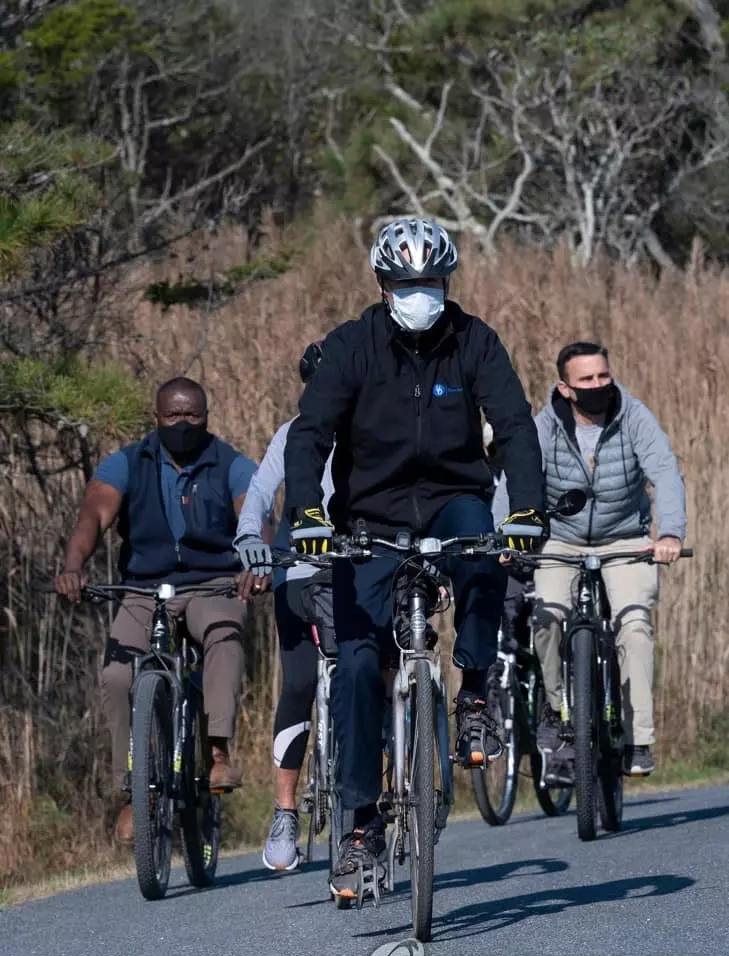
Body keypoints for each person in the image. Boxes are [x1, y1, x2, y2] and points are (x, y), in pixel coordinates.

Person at [283, 217, 546, 899]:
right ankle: (361, 826)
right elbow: (308, 434)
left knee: (485, 556)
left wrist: (524, 510)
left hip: (453, 497)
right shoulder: (350, 347)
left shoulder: (474, 340)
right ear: (382, 284)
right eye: (406, 284)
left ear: (446, 281)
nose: (419, 294)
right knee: (358, 664)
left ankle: (476, 693)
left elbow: (514, 425)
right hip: (367, 515)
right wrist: (306, 514)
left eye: (430, 282)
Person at [54, 377, 257, 842]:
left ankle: (219, 754)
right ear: (156, 418)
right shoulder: (128, 462)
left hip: (213, 582)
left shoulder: (231, 464)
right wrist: (73, 565)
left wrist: (256, 562)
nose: (183, 424)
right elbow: (95, 514)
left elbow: (254, 517)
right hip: (145, 588)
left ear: (207, 417)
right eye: (173, 416)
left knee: (224, 637)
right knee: (116, 676)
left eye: (193, 416)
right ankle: (133, 791)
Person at [494, 341, 686, 780]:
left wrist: (670, 533)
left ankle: (638, 738)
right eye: (587, 380)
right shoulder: (544, 426)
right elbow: (515, 479)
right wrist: (508, 535)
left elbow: (664, 472)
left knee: (634, 626)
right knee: (545, 618)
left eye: (603, 376)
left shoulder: (634, 416)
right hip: (560, 541)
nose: (599, 385)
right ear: (565, 387)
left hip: (626, 540)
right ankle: (560, 710)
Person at [235, 342, 335, 872]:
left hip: (365, 570)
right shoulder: (292, 434)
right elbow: (258, 496)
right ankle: (285, 811)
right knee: (298, 683)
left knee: (377, 678)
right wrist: (251, 538)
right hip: (301, 571)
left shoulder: (381, 430)